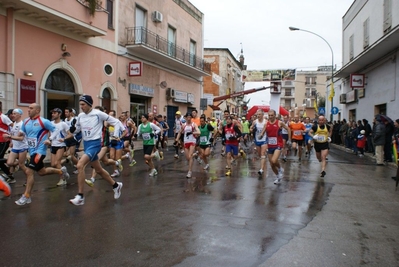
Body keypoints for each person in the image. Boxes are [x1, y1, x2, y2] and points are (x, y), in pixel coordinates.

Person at [69, 95, 123, 206]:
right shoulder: (80, 116)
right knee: (99, 170)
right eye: (80, 105)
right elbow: (78, 129)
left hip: (95, 144)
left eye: (83, 104)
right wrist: (73, 130)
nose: (81, 107)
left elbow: (116, 122)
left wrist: (116, 135)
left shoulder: (98, 114)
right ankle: (116, 186)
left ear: (89, 104)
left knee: (80, 165)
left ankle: (80, 196)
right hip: (87, 144)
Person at [14, 103, 70, 205]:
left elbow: (56, 130)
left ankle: (26, 196)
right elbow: (21, 134)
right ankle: (61, 172)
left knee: (29, 171)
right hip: (32, 151)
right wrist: (12, 137)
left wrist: (50, 139)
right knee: (42, 172)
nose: (29, 110)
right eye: (28, 108)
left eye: (31, 108)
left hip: (40, 151)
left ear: (37, 111)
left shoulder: (44, 121)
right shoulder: (25, 121)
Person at [261, 109, 291, 184]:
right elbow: (262, 132)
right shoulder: (266, 124)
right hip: (270, 145)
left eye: (272, 115)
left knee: (274, 160)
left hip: (278, 144)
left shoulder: (279, 123)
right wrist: (260, 136)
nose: (270, 117)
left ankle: (280, 168)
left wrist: (289, 139)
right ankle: (278, 176)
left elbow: (288, 129)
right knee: (271, 164)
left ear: (275, 115)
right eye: (269, 115)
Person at [5, 109, 28, 184]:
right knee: (9, 163)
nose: (12, 115)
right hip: (15, 147)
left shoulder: (22, 125)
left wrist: (9, 137)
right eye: (12, 114)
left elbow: (21, 138)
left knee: (22, 165)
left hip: (22, 147)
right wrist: (11, 142)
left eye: (15, 114)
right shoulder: (14, 123)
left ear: (19, 115)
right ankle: (20, 163)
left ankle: (28, 179)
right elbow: (13, 134)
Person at [49, 108, 72, 186]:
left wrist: (64, 138)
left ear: (59, 114)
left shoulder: (63, 124)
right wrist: (49, 140)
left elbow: (70, 134)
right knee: (52, 164)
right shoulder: (50, 123)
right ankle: (66, 162)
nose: (53, 114)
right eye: (52, 113)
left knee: (57, 163)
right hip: (53, 145)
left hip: (60, 146)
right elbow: (50, 134)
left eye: (55, 113)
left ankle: (63, 179)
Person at [176, 113, 200, 178]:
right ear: (186, 118)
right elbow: (179, 132)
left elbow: (199, 132)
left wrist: (192, 132)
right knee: (188, 158)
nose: (189, 119)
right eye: (188, 117)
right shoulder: (184, 125)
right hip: (186, 142)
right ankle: (195, 154)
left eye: (190, 117)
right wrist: (177, 139)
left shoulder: (193, 124)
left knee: (190, 156)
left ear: (191, 118)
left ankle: (189, 172)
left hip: (192, 141)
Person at [250, 109, 268, 175]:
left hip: (264, 139)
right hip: (257, 140)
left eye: (259, 114)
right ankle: (263, 163)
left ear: (263, 115)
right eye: (257, 114)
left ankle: (261, 169)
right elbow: (251, 128)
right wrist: (251, 130)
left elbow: (266, 129)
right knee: (260, 154)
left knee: (263, 153)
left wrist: (262, 134)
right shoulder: (255, 122)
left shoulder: (266, 122)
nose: (258, 115)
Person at [0, 101, 13, 180]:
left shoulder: (3, 117)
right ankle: (9, 174)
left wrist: (11, 138)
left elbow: (13, 126)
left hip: (4, 141)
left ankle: (12, 162)